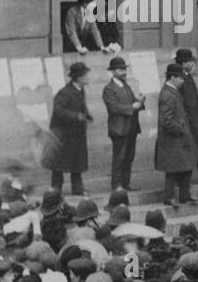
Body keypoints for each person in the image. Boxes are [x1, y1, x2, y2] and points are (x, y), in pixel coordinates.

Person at [41, 62, 93, 196]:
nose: (88, 77)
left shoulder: (80, 90)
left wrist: (87, 115)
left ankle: (78, 189)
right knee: (58, 164)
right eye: (85, 75)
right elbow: (58, 111)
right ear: (78, 77)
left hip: (76, 133)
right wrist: (77, 116)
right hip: (62, 134)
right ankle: (56, 190)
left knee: (77, 162)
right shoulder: (65, 92)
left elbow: (81, 106)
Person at [155, 63, 197, 208]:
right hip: (173, 139)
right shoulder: (167, 94)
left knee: (186, 167)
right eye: (180, 78)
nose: (182, 81)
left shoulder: (171, 92)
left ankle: (185, 196)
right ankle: (170, 196)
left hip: (179, 138)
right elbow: (165, 120)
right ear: (172, 78)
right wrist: (181, 129)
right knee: (173, 170)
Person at [103, 55, 145, 194]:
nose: (124, 72)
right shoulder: (109, 89)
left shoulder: (126, 85)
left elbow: (132, 101)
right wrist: (132, 107)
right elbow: (113, 107)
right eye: (121, 70)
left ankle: (126, 183)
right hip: (119, 129)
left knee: (129, 157)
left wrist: (139, 101)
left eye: (124, 69)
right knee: (119, 157)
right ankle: (116, 185)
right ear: (113, 72)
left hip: (131, 127)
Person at [175, 48, 198, 186]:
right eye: (191, 61)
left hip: (196, 120)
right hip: (190, 122)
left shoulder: (187, 76)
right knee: (191, 152)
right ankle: (187, 181)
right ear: (184, 63)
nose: (193, 64)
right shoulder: (180, 78)